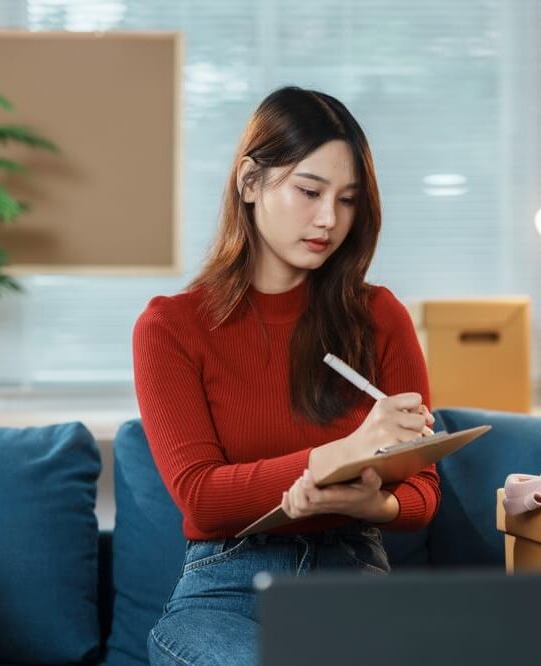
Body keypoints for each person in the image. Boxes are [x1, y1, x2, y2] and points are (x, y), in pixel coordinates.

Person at [133, 85, 440, 666]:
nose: (329, 219)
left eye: (348, 200)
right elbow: (202, 498)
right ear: (250, 182)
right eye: (309, 190)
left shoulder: (379, 317)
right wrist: (339, 454)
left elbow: (423, 491)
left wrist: (373, 504)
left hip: (355, 575)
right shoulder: (171, 327)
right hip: (228, 587)